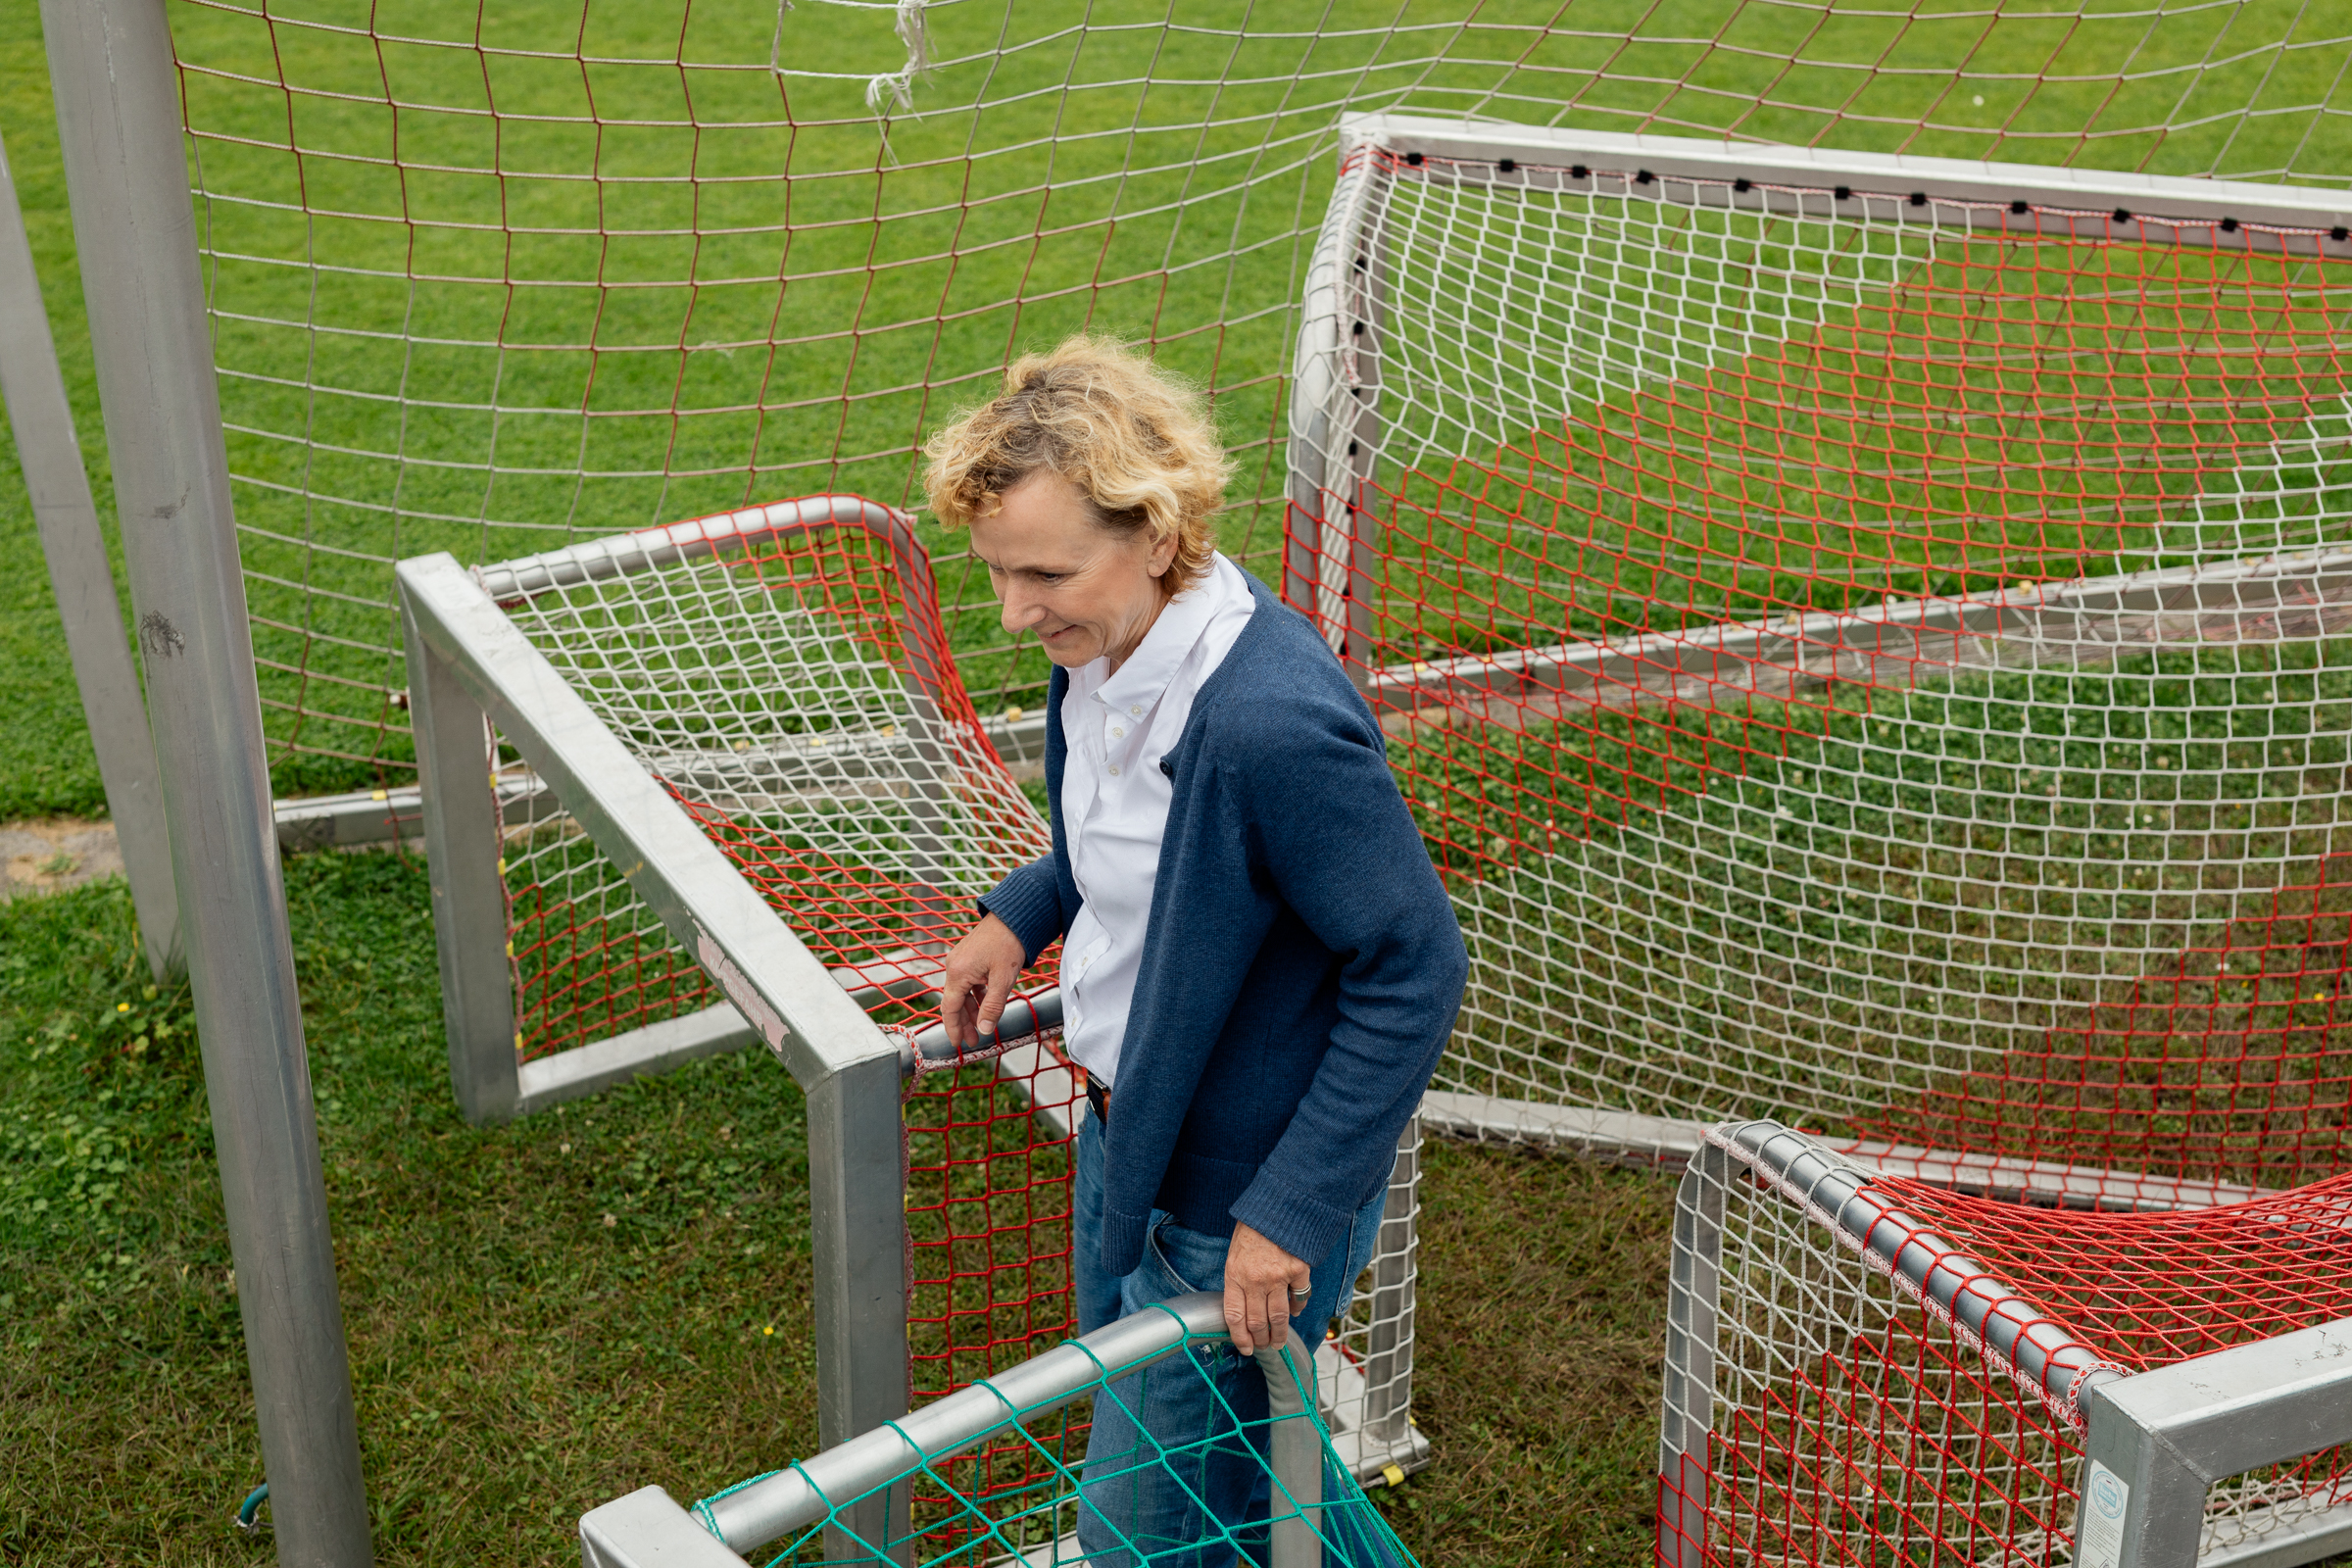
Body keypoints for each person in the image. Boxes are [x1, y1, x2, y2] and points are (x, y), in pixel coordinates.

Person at [927, 335, 1464, 1566]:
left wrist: (1287, 1211)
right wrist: (1022, 907)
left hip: (1239, 1192)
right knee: (1236, 1472)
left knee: (1146, 1527)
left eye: (1047, 572)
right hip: (1129, 1136)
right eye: (999, 575)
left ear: (1157, 535)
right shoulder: (1102, 649)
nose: (1017, 614)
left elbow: (1415, 967)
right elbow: (1122, 842)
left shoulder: (1270, 722)